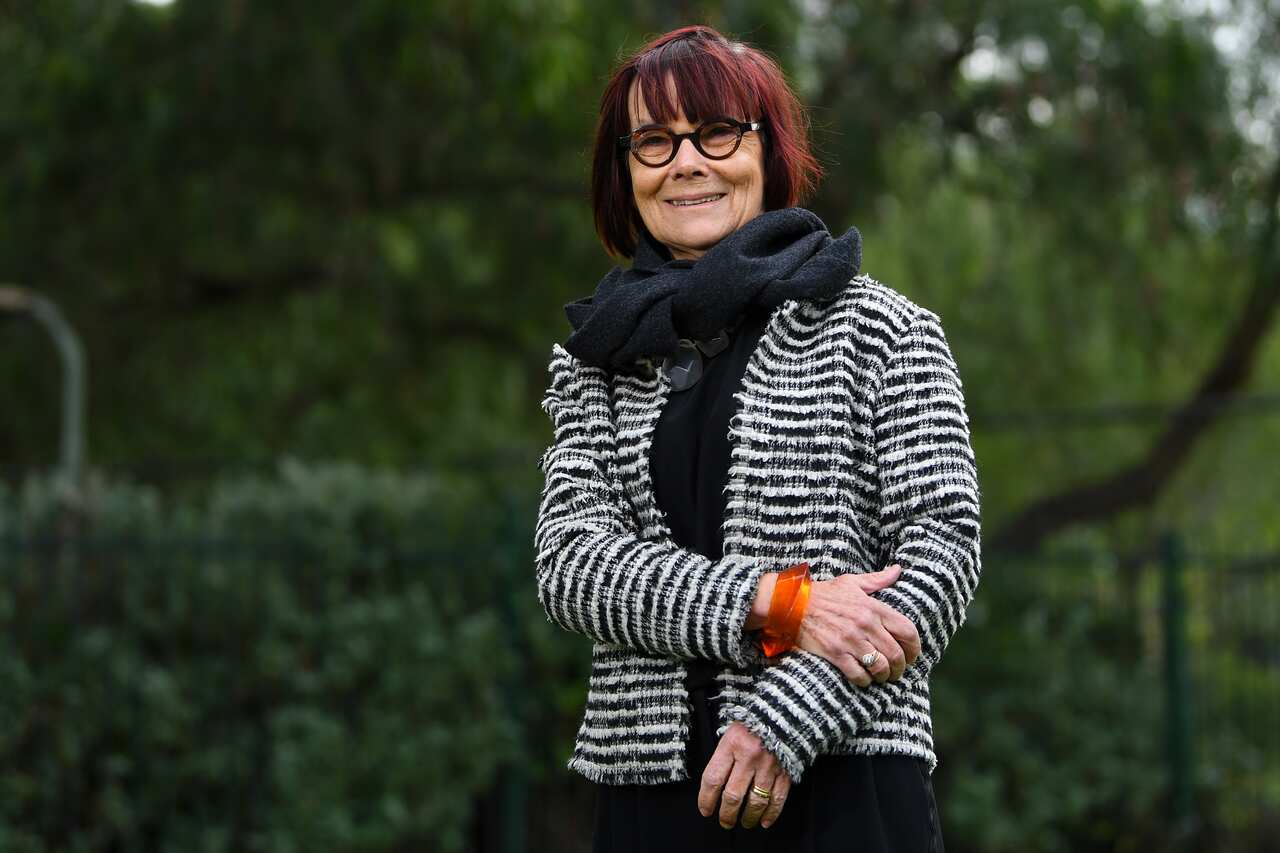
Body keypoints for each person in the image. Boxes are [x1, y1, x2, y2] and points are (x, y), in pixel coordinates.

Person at [534, 24, 980, 852]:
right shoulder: (598, 357)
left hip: (844, 783)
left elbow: (941, 558)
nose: (685, 163)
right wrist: (781, 604)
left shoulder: (884, 330)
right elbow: (572, 565)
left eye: (715, 132)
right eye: (654, 141)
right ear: (624, 171)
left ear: (766, 151)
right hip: (651, 798)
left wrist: (785, 719)